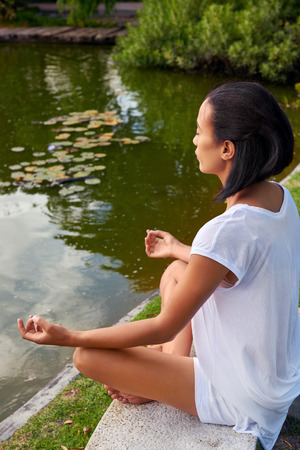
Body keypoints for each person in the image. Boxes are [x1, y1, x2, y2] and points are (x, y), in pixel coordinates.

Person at [18, 81, 300, 450]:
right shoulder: (279, 196)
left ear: (227, 149)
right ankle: (167, 366)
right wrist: (181, 249)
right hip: (273, 374)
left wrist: (66, 336)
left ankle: (162, 379)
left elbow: (164, 325)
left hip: (241, 395)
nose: (195, 140)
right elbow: (236, 265)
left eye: (200, 132)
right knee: (176, 272)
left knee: (86, 356)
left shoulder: (225, 231)